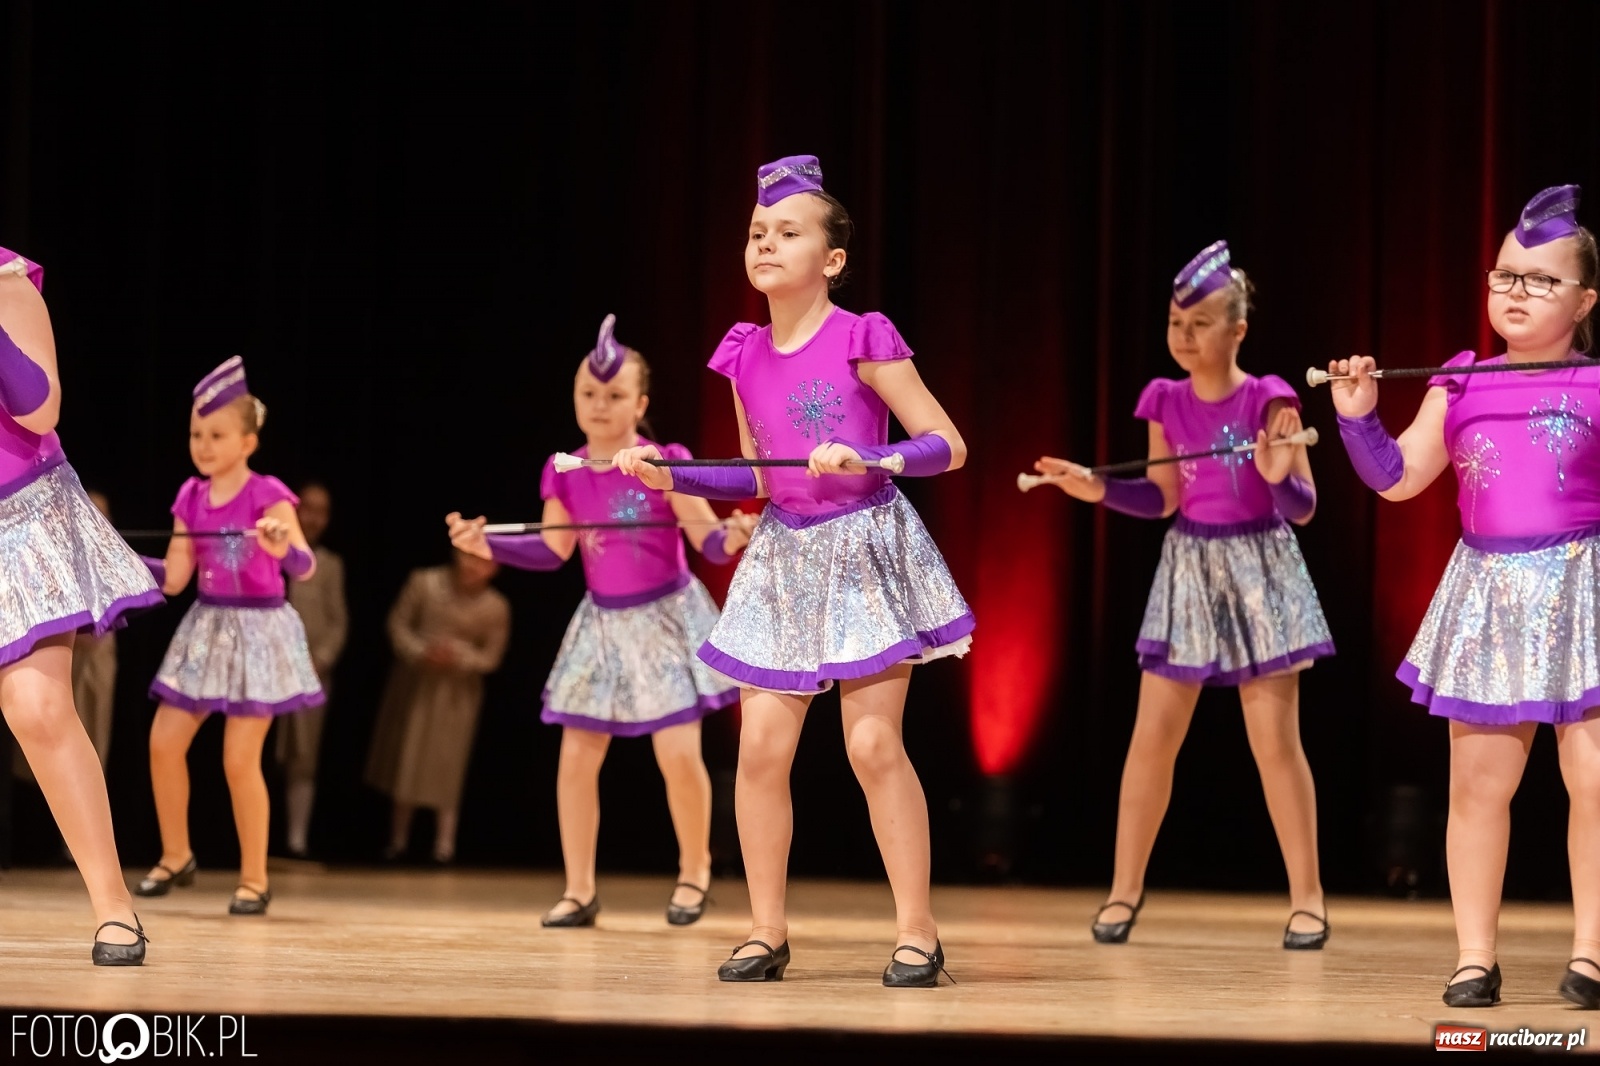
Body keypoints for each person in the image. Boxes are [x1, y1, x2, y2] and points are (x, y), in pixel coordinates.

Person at [615, 155, 974, 987]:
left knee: (874, 744)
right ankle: (766, 930)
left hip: (862, 545)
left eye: (788, 231)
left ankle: (917, 930)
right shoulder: (743, 354)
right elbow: (756, 472)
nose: (766, 243)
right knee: (761, 752)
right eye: (756, 232)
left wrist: (871, 453)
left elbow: (947, 444)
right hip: (783, 554)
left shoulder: (863, 336)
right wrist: (672, 476)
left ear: (833, 258)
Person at [1330, 185, 1600, 1008]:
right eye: (1505, 276)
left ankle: (1592, 954)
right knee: (1479, 786)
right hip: (1488, 590)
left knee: (1594, 777)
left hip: (1585, 586)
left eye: (1541, 281)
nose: (1515, 293)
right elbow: (1400, 478)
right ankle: (1474, 957)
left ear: (1585, 300)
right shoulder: (1458, 378)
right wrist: (1357, 418)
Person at [1033, 240, 1333, 950]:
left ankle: (1308, 898)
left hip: (1263, 569)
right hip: (1191, 569)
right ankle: (1124, 890)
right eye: (1176, 321)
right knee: (1151, 743)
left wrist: (1273, 469)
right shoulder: (1163, 398)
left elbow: (1302, 505)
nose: (1185, 336)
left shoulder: (1272, 397)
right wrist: (1097, 487)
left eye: (1201, 323)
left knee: (1275, 745)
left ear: (1238, 331)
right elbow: (1166, 496)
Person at [449, 315, 754, 927]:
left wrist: (737, 533)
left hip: (666, 621)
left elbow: (709, 543)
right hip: (603, 626)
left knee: (676, 753)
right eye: (589, 393)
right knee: (577, 756)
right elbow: (554, 549)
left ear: (640, 403)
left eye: (614, 395)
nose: (599, 404)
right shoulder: (564, 469)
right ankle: (579, 888)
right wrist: (492, 546)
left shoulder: (664, 462)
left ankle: (694, 872)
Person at [0, 246, 163, 963]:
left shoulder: (7, 282)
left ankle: (113, 905)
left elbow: (39, 408)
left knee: (36, 707)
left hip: (21, 513)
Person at [137, 356, 324, 916]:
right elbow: (174, 577)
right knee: (163, 743)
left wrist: (279, 547)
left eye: (216, 434)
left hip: (260, 630)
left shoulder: (270, 494)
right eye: (197, 433)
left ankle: (254, 877)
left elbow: (305, 565)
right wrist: (117, 559)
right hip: (208, 625)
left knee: (240, 760)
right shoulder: (190, 497)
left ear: (247, 440)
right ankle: (176, 854)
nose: (203, 444)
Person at [364, 550, 510, 865]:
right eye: (470, 557)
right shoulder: (425, 582)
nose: (474, 567)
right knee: (408, 755)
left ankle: (444, 845)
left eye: (484, 561)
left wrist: (460, 656)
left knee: (449, 762)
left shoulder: (496, 606)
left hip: (458, 693)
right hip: (417, 682)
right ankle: (397, 841)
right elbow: (398, 624)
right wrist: (421, 651)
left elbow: (492, 656)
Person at [275, 481, 347, 858]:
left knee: (303, 757)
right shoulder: (272, 550)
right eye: (308, 508)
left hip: (310, 672)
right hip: (266, 668)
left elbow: (338, 622)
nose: (314, 517)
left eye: (322, 511)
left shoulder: (331, 565)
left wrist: (321, 658)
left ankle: (296, 840)